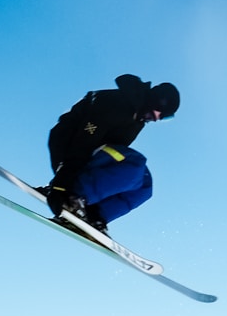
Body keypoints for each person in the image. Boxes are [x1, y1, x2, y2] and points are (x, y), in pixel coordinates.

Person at [44, 74, 179, 233]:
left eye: (165, 118)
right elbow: (82, 142)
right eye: (161, 113)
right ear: (156, 100)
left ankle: (95, 215)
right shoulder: (114, 103)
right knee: (136, 163)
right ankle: (74, 197)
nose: (157, 119)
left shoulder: (137, 122)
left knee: (144, 184)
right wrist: (61, 184)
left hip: (87, 157)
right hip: (69, 148)